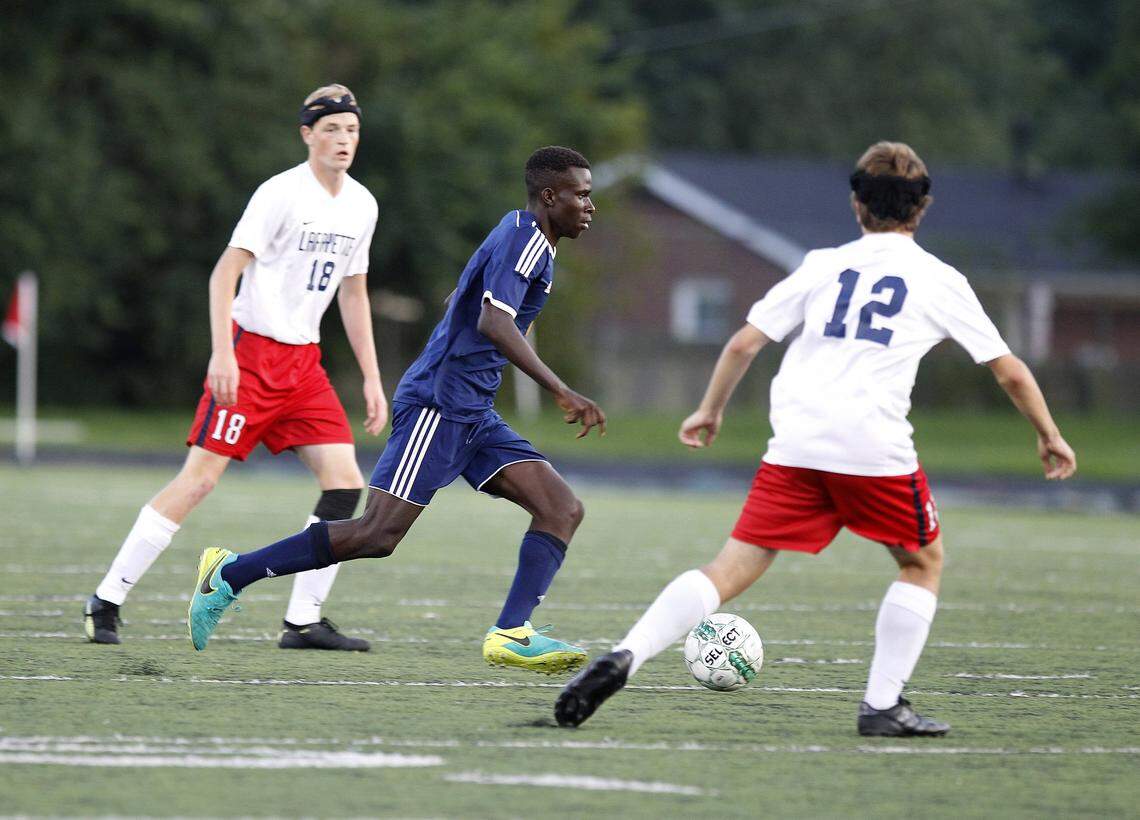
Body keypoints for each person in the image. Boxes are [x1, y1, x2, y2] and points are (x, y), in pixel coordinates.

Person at [555, 141, 1077, 735]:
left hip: (797, 443)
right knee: (922, 562)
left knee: (730, 568)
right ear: (922, 208)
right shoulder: (939, 279)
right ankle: (882, 706)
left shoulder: (821, 265)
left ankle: (627, 652)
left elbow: (742, 344)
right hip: (873, 449)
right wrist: (1050, 435)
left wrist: (709, 411)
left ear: (857, 204)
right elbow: (1008, 369)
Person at [186, 146, 605, 674]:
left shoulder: (524, 235)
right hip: (439, 405)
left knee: (561, 508)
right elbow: (493, 323)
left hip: (471, 411)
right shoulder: (526, 241)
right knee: (376, 535)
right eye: (582, 195)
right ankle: (230, 574)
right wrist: (561, 389)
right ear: (550, 196)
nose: (590, 206)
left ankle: (512, 632)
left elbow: (463, 298)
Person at [84, 84, 386, 652]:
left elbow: (354, 294)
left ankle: (302, 622)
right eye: (331, 130)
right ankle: (106, 599)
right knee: (198, 482)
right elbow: (225, 274)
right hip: (251, 357)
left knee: (346, 484)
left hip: (304, 366)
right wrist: (223, 352)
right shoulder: (280, 193)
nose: (343, 140)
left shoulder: (362, 204)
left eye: (351, 131)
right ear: (307, 135)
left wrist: (371, 376)